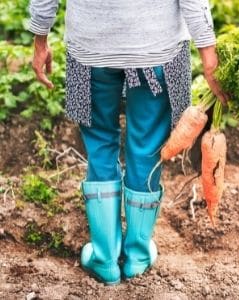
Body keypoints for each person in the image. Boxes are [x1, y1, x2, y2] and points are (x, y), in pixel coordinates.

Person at [29, 0, 228, 285]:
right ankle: (136, 256)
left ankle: (105, 257)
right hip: (157, 50)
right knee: (148, 148)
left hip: (91, 52)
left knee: (99, 145)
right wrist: (208, 53)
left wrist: (40, 39)